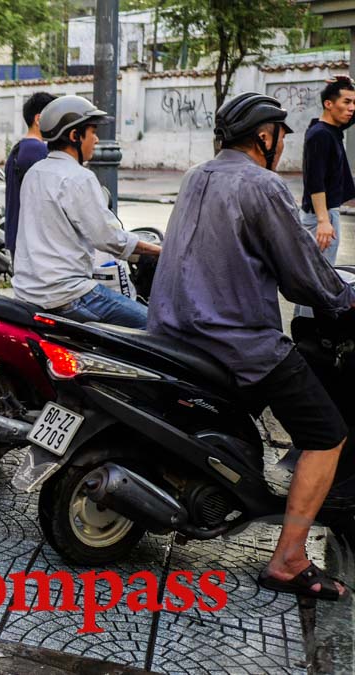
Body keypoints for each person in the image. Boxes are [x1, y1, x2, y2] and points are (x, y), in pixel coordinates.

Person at [149, 92, 355, 600]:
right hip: (234, 342)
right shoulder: (262, 185)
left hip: (172, 330)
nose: (283, 144)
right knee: (326, 433)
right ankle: (288, 558)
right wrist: (344, 298)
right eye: (280, 135)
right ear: (265, 137)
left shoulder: (198, 175)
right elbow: (303, 275)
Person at [11, 95, 161, 327]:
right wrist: (161, 250)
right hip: (69, 295)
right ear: (74, 136)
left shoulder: (35, 172)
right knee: (152, 327)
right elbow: (111, 239)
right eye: (92, 132)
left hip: (28, 291)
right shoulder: (79, 177)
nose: (97, 139)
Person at [296, 77, 355, 317]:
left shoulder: (330, 129)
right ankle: (310, 333)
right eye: (347, 101)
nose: (352, 108)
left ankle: (306, 328)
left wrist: (350, 82)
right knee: (318, 279)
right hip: (318, 216)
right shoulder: (320, 135)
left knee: (315, 276)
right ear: (329, 104)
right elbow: (315, 180)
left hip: (325, 213)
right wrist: (323, 221)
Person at [4, 91, 56, 254]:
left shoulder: (19, 148)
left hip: (18, 238)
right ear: (39, 119)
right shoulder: (38, 150)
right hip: (32, 243)